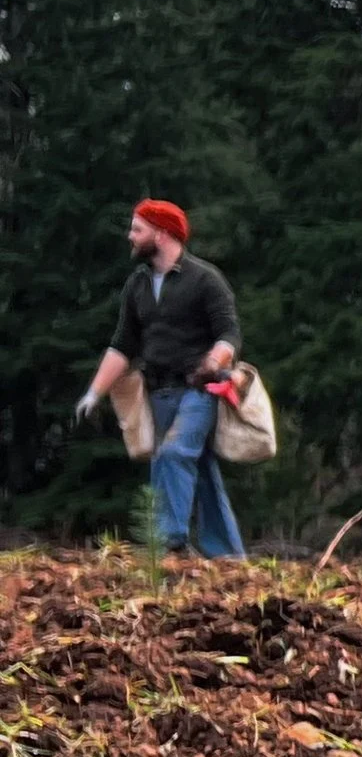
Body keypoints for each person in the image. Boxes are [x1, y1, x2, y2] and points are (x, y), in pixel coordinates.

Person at [74, 200, 248, 561]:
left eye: (138, 229)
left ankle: (170, 544)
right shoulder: (137, 285)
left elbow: (229, 335)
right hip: (158, 392)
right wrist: (94, 393)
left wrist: (213, 362)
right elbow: (122, 345)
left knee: (173, 454)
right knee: (195, 468)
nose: (130, 236)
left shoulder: (205, 279)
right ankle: (229, 556)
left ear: (163, 233)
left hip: (200, 391)